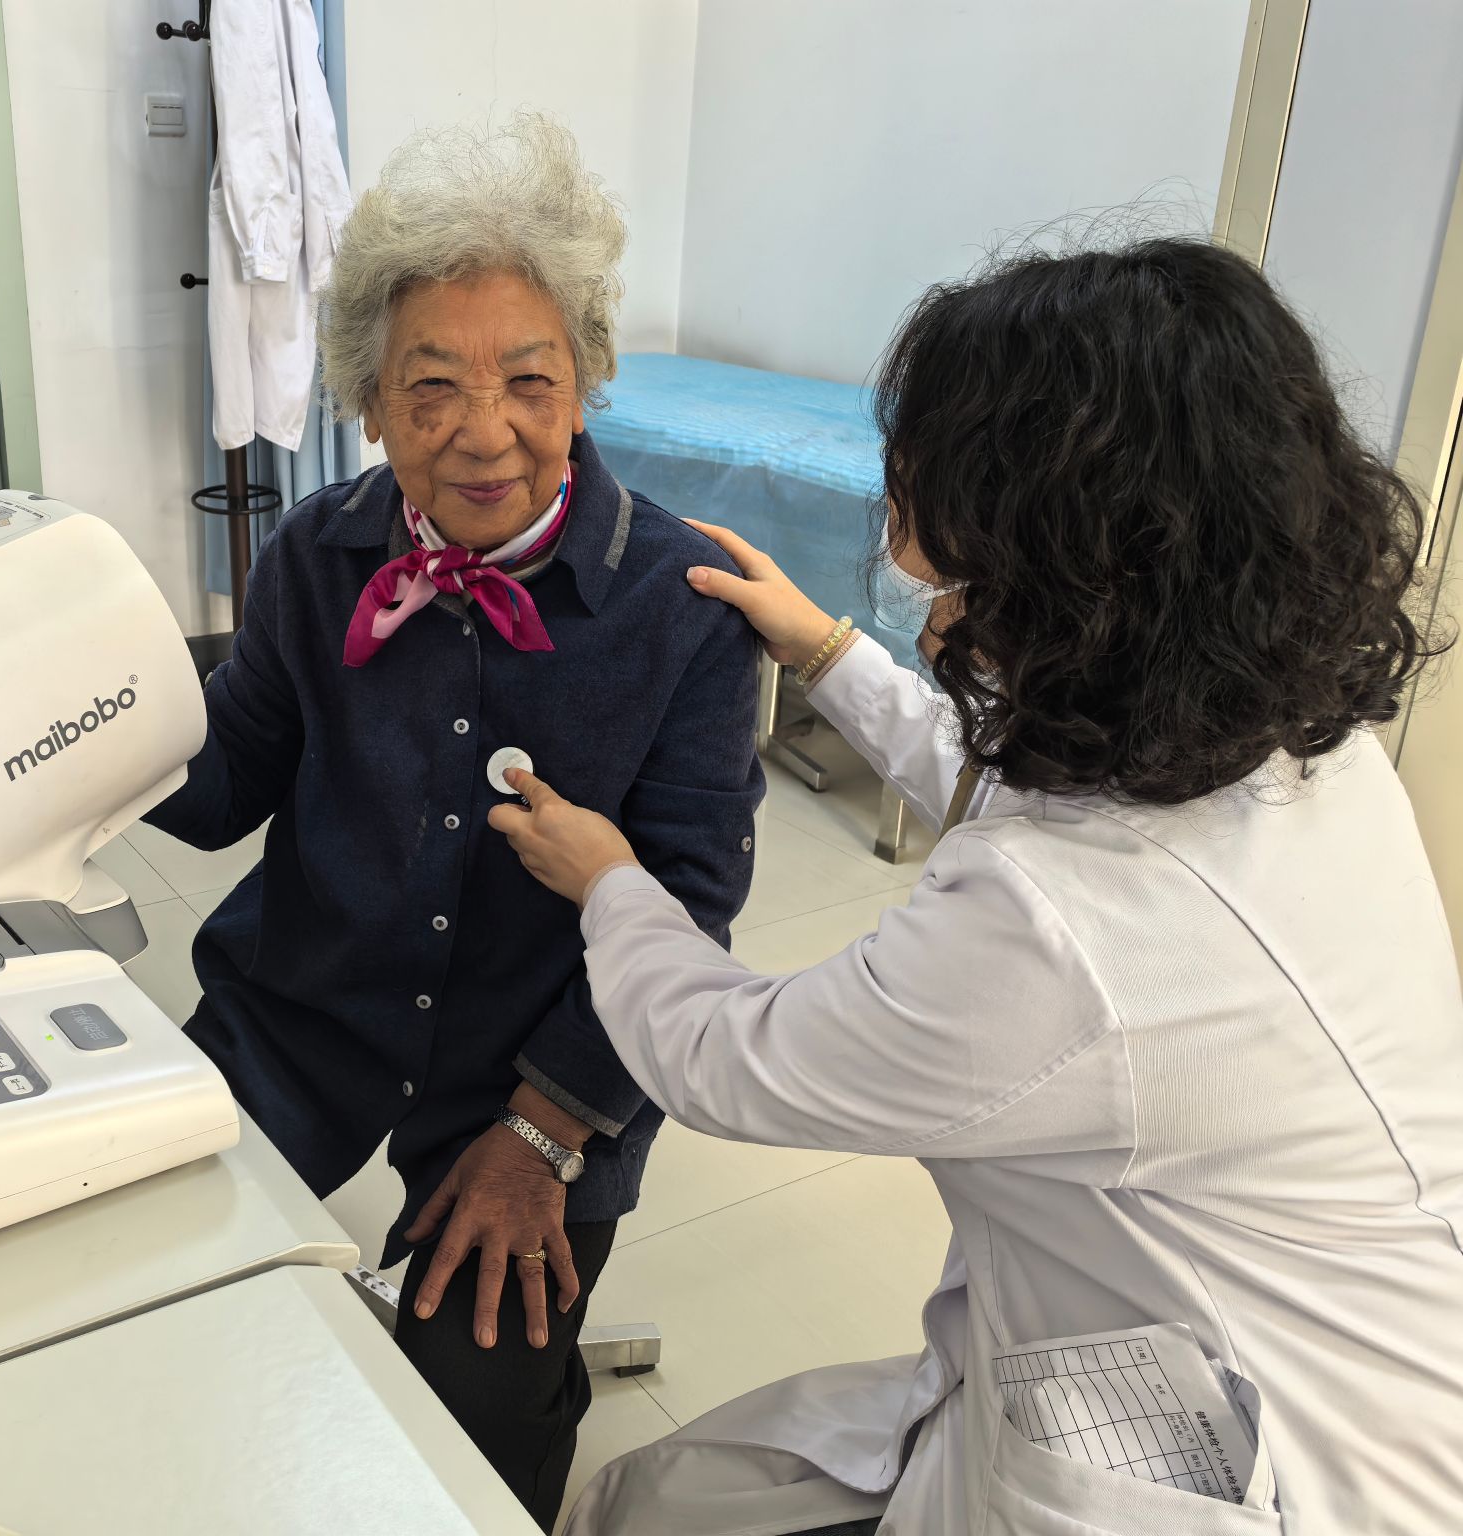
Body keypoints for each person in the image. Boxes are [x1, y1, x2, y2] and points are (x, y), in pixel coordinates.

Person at [491, 239, 1463, 1535]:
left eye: (949, 582)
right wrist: (829, 652)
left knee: (638, 1515)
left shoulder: (1057, 932)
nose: (928, 611)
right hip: (1214, 1338)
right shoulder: (1291, 740)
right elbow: (1025, 777)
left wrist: (612, 883)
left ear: (1079, 583)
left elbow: (729, 1058)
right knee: (654, 1498)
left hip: (1275, 1466)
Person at [140, 114, 764, 1529]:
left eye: (530, 381)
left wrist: (544, 1135)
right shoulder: (316, 554)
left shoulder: (682, 609)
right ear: (368, 400)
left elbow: (686, 907)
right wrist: (77, 731)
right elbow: (225, 782)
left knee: (471, 1435)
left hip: (538, 1075)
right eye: (431, 388)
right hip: (302, 1018)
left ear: (587, 382)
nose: (486, 433)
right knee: (147, 1304)